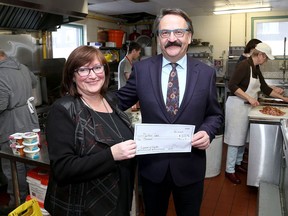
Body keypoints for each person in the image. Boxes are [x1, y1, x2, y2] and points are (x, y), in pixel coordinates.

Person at [116, 8, 224, 216]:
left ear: (189, 36)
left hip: (190, 168)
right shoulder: (142, 69)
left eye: (178, 32)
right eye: (165, 33)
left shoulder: (206, 74)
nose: (171, 39)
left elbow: (214, 114)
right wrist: (89, 94)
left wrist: (207, 131)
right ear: (158, 38)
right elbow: (118, 102)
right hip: (153, 168)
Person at [44, 45, 137, 216]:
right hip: (84, 207)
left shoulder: (111, 100)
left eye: (97, 68)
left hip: (118, 201)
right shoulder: (64, 110)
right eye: (84, 70)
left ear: (105, 70)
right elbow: (63, 169)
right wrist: (111, 155)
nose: (93, 75)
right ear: (72, 75)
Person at [224, 42, 288, 184]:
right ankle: (229, 170)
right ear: (260, 55)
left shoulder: (256, 68)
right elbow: (232, 85)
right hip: (237, 105)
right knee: (235, 140)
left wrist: (284, 99)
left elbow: (265, 88)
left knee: (242, 137)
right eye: (265, 58)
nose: (265, 61)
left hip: (247, 106)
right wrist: (249, 98)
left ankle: (238, 163)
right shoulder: (244, 65)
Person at [0, 50, 39, 210]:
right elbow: (35, 82)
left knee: (13, 167)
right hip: (29, 120)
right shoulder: (21, 66)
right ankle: (34, 198)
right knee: (30, 162)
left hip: (11, 125)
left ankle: (17, 203)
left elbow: (1, 104)